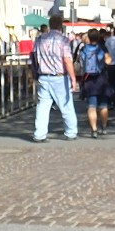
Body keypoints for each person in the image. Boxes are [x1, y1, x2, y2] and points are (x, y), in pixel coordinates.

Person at [32, 13, 79, 142]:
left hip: (43, 76)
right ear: (60, 25)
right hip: (59, 77)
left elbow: (35, 56)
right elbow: (67, 60)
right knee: (66, 105)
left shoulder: (40, 39)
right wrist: (73, 78)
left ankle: (39, 134)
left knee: (43, 106)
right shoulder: (63, 40)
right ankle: (71, 132)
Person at [78, 28, 112, 137]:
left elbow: (81, 63)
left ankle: (94, 129)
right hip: (101, 78)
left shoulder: (83, 49)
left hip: (88, 79)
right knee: (103, 105)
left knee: (91, 106)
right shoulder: (102, 48)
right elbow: (108, 61)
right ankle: (104, 126)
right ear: (98, 37)